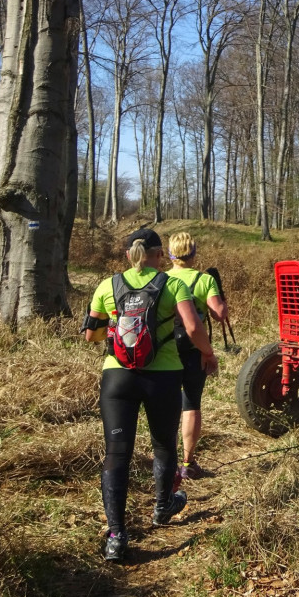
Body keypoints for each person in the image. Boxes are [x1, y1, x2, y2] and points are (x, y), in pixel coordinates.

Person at [83, 228, 219, 562]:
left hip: (117, 379)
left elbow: (91, 335)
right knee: (162, 443)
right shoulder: (173, 285)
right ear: (158, 254)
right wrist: (209, 353)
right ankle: (162, 507)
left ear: (129, 254)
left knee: (117, 454)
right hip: (163, 376)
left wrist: (117, 330)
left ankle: (116, 536)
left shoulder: (107, 285)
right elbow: (192, 327)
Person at [166, 231, 229, 481]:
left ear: (170, 253)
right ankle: (187, 463)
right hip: (194, 352)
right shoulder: (204, 281)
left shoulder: (161, 279)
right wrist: (219, 289)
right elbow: (219, 314)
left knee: (166, 406)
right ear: (193, 253)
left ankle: (165, 460)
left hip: (165, 352)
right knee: (191, 405)